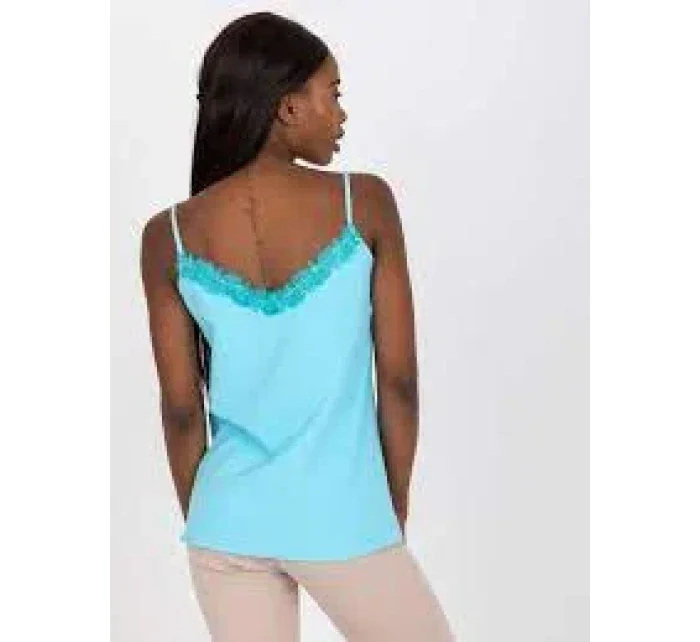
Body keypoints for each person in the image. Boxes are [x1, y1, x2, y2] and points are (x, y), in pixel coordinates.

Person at [140, 10, 455, 641]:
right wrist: (389, 508)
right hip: (342, 514)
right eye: (332, 94)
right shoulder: (364, 204)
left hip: (227, 523)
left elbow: (181, 411)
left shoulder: (167, 235)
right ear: (287, 106)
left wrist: (217, 519)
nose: (341, 115)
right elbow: (398, 382)